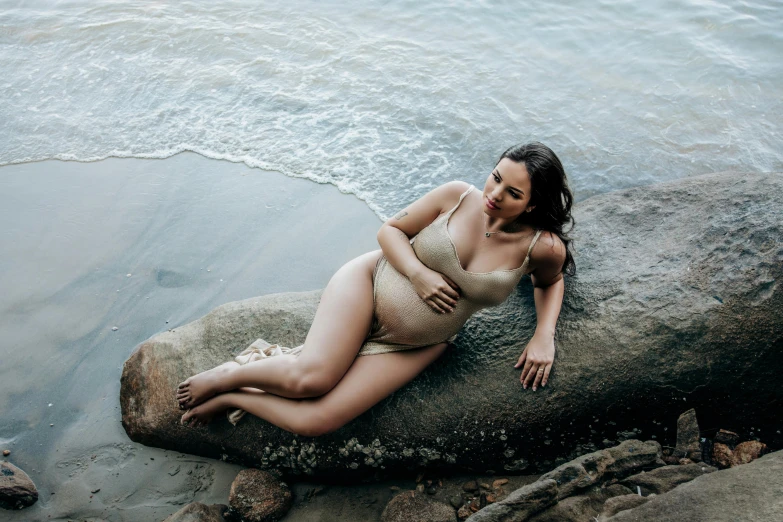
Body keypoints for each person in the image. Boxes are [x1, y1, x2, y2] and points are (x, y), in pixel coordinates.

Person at [177, 142, 575, 435]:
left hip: (416, 344)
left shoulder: (541, 248)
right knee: (310, 380)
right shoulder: (457, 196)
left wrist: (544, 335)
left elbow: (550, 283)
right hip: (370, 283)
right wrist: (419, 274)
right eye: (496, 176)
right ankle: (228, 375)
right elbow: (391, 230)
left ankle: (233, 396)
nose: (494, 194)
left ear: (533, 205)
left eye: (513, 193)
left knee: (317, 422)